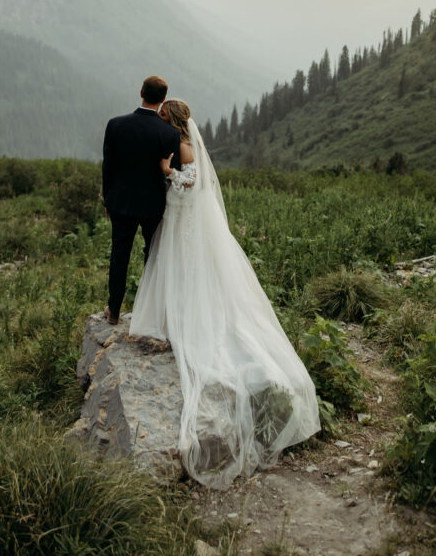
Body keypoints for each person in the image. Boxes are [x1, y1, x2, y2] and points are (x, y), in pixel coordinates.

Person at [130, 98, 321, 489]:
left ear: (174, 118)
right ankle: (175, 311)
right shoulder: (180, 137)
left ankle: (184, 315)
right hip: (181, 217)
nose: (161, 116)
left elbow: (193, 181)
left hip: (184, 217)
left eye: (165, 113)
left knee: (187, 268)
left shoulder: (184, 145)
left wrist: (168, 173)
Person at [102, 75, 181, 325]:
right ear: (162, 101)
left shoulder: (115, 125)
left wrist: (108, 199)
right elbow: (172, 171)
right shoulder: (169, 133)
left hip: (121, 202)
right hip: (153, 204)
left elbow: (108, 167)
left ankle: (114, 311)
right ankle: (148, 312)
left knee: (119, 254)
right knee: (152, 255)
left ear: (141, 92)